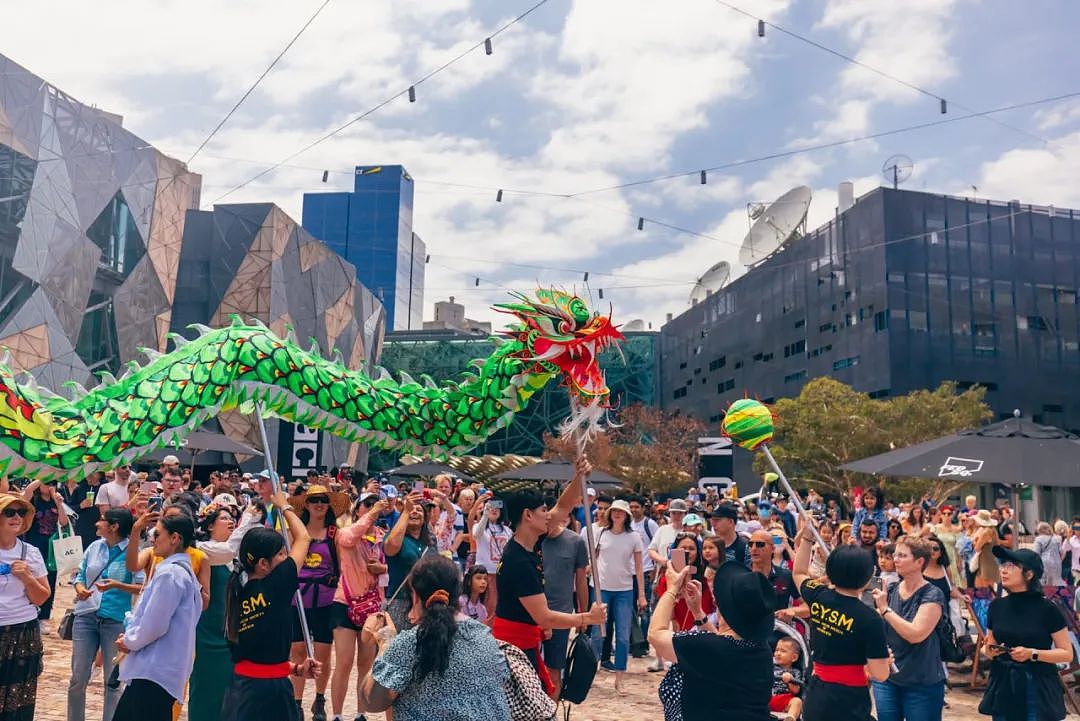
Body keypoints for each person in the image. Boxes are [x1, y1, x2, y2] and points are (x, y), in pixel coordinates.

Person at [493, 456, 606, 697]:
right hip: (514, 645)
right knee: (527, 706)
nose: (549, 516)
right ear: (528, 515)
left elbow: (564, 506)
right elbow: (545, 616)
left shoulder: (530, 542)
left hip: (525, 639)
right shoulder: (518, 560)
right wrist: (587, 617)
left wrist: (579, 476)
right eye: (543, 510)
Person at [357, 555, 511, 721]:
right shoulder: (485, 636)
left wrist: (386, 643)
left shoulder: (412, 642)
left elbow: (371, 701)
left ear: (415, 596)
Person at [221, 497, 319, 721]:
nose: (286, 559)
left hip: (239, 691)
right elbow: (304, 537)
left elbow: (258, 653)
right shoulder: (276, 585)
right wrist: (283, 505)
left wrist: (295, 669)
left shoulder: (236, 592)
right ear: (263, 564)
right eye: (282, 555)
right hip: (269, 694)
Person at [648, 556, 776, 721]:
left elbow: (655, 634)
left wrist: (671, 589)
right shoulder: (760, 649)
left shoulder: (707, 647)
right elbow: (722, 646)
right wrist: (698, 613)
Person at [793, 526, 891, 721]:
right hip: (848, 700)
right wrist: (886, 660)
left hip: (817, 693)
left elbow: (799, 572)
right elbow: (880, 675)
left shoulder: (818, 595)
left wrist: (806, 538)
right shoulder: (870, 618)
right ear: (868, 577)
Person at [112, 513, 203, 721]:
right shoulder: (181, 571)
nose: (153, 539)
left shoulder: (171, 574)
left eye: (158, 534)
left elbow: (155, 624)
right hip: (162, 669)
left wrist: (129, 641)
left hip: (154, 670)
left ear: (175, 538)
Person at [68, 508, 144, 721]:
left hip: (115, 620)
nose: (97, 524)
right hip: (86, 616)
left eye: (102, 520)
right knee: (77, 678)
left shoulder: (133, 551)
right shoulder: (94, 547)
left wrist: (118, 585)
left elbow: (142, 586)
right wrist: (80, 588)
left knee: (112, 681)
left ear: (114, 526)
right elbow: (80, 575)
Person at [980, 546, 1073, 721]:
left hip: (1036, 686)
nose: (1003, 570)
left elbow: (1067, 653)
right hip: (1003, 684)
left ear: (1029, 574)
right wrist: (989, 651)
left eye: (1012, 565)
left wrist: (1032, 654)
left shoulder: (1047, 609)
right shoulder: (996, 606)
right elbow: (989, 645)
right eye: (1003, 565)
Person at [287, 484, 348, 721]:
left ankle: (320, 699)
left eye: (323, 500)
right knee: (298, 650)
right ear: (307, 505)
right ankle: (297, 702)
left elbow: (342, 567)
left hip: (326, 600)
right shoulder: (296, 532)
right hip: (297, 599)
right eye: (314, 500)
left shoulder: (335, 534)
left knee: (323, 652)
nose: (319, 504)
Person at [871, 537, 946, 721]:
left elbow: (916, 634)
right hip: (888, 678)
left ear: (920, 561)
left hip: (921, 681)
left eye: (902, 555)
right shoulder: (891, 589)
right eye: (895, 554)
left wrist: (884, 609)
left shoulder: (932, 594)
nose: (895, 559)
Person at [329, 493, 387, 721]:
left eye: (376, 505)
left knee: (366, 662)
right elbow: (348, 540)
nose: (373, 508)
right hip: (345, 601)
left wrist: (382, 569)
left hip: (371, 606)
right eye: (368, 504)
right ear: (357, 509)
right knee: (343, 661)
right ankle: (336, 715)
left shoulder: (381, 537)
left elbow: (388, 568)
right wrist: (372, 514)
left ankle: (361, 713)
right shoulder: (346, 531)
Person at [0, 493, 49, 721]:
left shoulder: (30, 553)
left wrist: (28, 578)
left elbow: (41, 598)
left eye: (21, 513)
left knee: (18, 701)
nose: (16, 517)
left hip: (22, 634)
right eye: (9, 512)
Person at [541, 517, 588, 697]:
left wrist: (583, 615)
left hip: (560, 614)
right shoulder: (532, 540)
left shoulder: (575, 541)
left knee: (554, 669)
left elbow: (581, 580)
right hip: (530, 613)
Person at [21, 479, 69, 626]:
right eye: (47, 483)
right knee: (31, 578)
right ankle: (30, 612)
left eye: (53, 483)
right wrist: (43, 475)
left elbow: (64, 522)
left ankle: (44, 617)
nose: (49, 486)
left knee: (49, 579)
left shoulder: (57, 500)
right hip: (33, 544)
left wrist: (59, 503)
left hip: (51, 547)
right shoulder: (34, 500)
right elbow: (26, 494)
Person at [385, 491, 433, 632]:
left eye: (419, 510)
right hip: (400, 602)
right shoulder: (397, 538)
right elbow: (390, 548)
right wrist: (406, 510)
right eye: (411, 510)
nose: (414, 512)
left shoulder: (429, 544)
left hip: (425, 604)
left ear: (425, 519)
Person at [653, 533, 715, 630]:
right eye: (683, 548)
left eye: (691, 548)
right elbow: (666, 613)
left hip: (702, 630)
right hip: (678, 632)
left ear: (698, 552)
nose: (687, 552)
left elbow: (708, 608)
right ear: (675, 551)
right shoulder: (666, 579)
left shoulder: (704, 578)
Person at [472, 493, 512, 618]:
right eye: (491, 507)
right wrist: (485, 514)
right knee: (484, 605)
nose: (494, 510)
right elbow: (477, 534)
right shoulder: (479, 527)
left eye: (497, 507)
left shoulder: (507, 530)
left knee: (497, 606)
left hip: (500, 574)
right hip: (483, 573)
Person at [971, 509, 1001, 630]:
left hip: (986, 563)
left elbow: (977, 548)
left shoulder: (986, 531)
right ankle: (987, 619)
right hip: (988, 561)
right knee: (985, 591)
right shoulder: (991, 530)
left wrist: (975, 540)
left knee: (985, 592)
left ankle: (987, 620)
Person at [771, 637, 805, 721]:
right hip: (768, 697)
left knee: (797, 701)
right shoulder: (770, 667)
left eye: (783, 651)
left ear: (794, 657)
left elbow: (796, 691)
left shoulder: (795, 672)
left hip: (785, 700)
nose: (778, 653)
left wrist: (790, 680)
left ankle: (790, 718)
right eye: (776, 650)